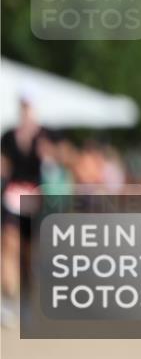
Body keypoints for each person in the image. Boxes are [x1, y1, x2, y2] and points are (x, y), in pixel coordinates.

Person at [0, 91, 54, 326]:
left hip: (32, 197)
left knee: (27, 252)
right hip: (12, 195)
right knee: (9, 245)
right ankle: (8, 299)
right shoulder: (9, 137)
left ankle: (26, 297)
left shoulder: (42, 137)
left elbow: (55, 159)